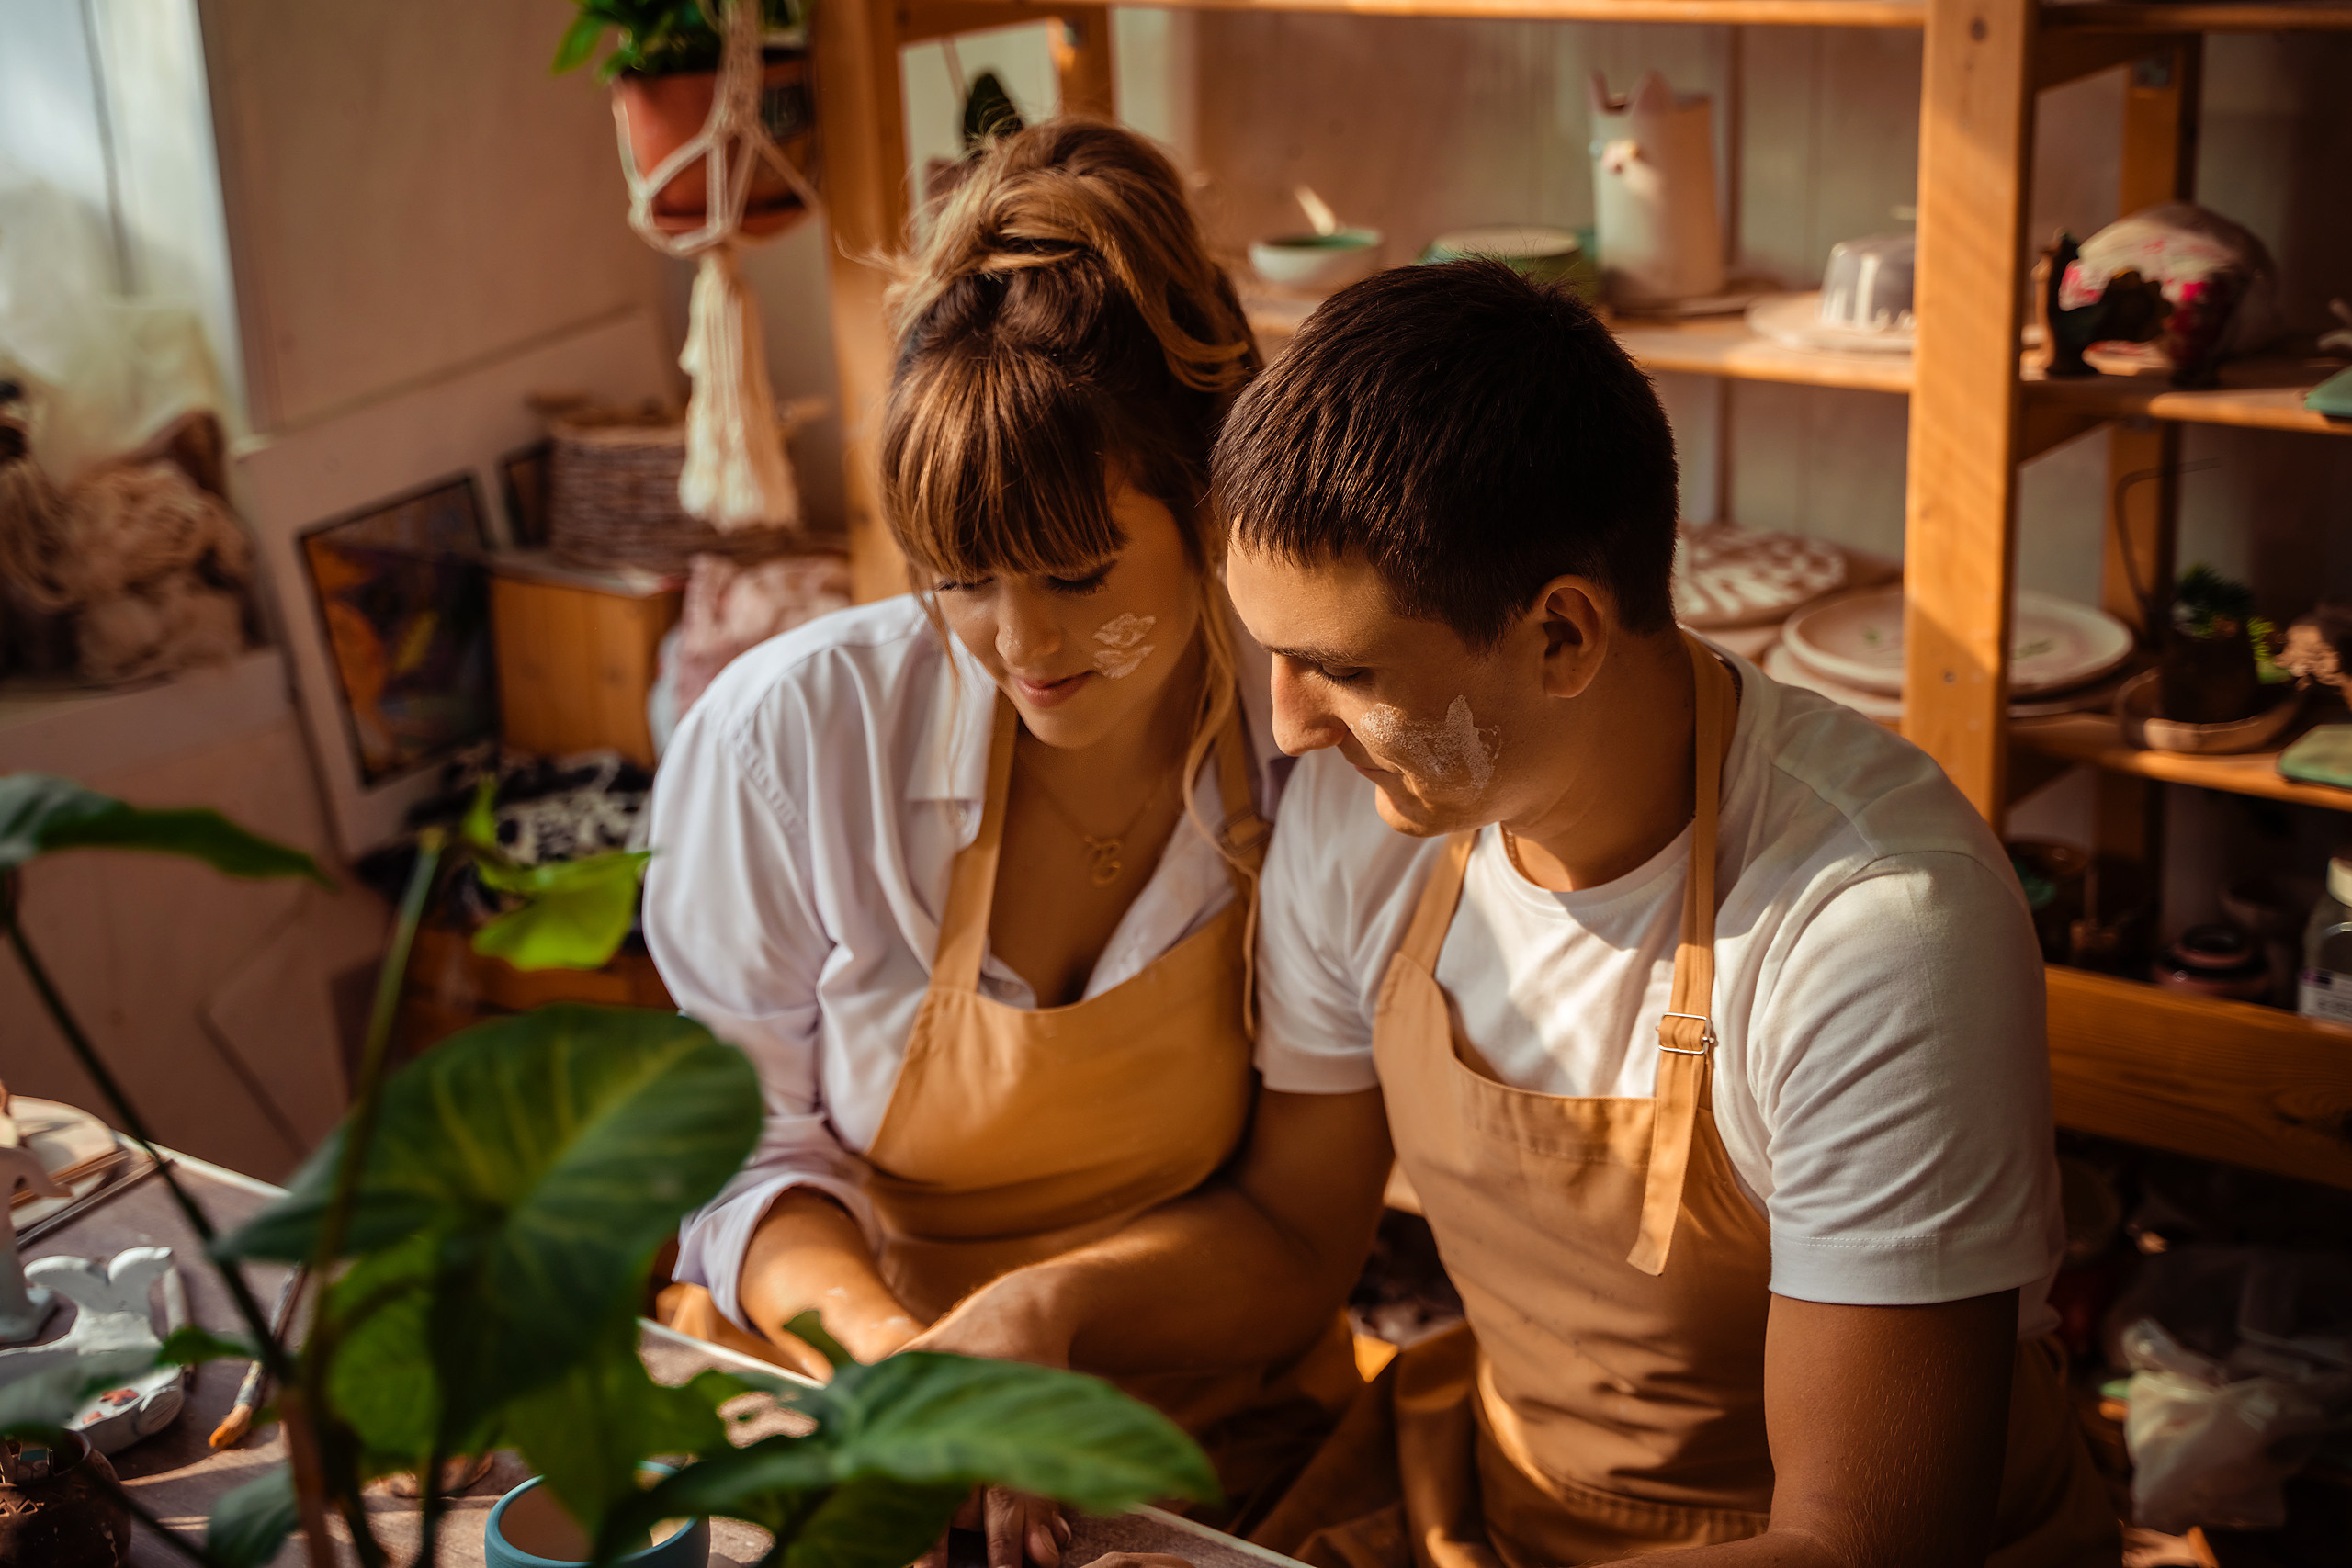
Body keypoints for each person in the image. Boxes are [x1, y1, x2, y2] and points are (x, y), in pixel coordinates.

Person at [908, 261, 2120, 1567]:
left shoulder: (1874, 934)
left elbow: (1861, 1547)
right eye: (1272, 653)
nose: (1286, 725)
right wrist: (1052, 1308)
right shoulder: (1373, 818)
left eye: (1343, 668)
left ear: (1562, 636)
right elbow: (1295, 1230)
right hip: (1502, 1504)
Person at [639, 119, 1357, 1554]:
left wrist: (1052, 1322)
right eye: (960, 580)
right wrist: (911, 1365)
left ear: (1210, 504)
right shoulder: (792, 740)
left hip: (1192, 1412)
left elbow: (1303, 1230)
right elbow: (741, 1155)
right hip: (855, 1403)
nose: (1022, 648)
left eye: (1083, 576)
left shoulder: (1310, 749)